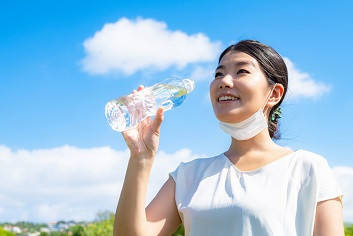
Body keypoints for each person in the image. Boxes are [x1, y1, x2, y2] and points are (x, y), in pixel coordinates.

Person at [113, 40, 344, 236]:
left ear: (274, 94)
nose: (224, 81)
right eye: (218, 73)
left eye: (241, 71)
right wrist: (140, 159)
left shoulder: (307, 168)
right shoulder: (189, 176)